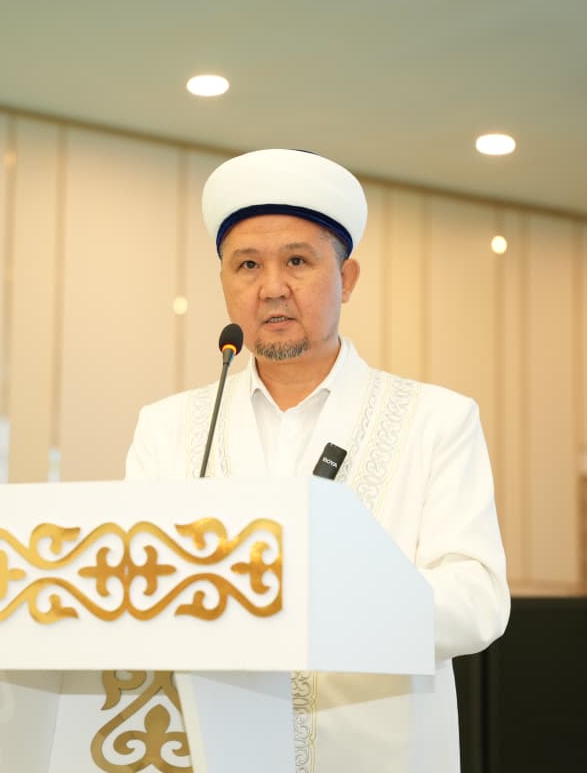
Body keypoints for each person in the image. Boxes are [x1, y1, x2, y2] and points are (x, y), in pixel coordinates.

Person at [125, 148, 510, 773]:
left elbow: (478, 599)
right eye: (247, 265)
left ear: (347, 279)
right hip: (215, 753)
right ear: (224, 284)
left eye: (297, 261)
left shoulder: (436, 420)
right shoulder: (168, 429)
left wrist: (329, 603)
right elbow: (134, 586)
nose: (272, 287)